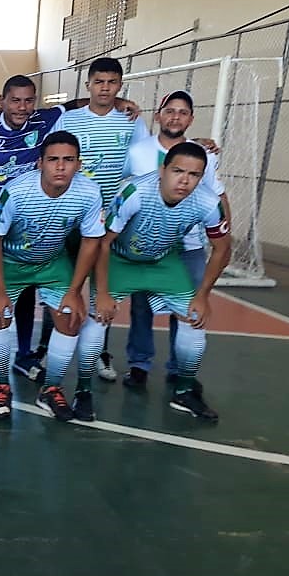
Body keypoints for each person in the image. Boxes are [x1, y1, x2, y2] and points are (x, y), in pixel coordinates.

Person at [0, 74, 140, 384]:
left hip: (47, 232)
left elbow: (73, 104)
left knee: (58, 304)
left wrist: (114, 101)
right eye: (14, 100)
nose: (22, 107)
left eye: (28, 100)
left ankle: (35, 362)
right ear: (1, 101)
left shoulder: (46, 121)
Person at [74, 142, 232, 421]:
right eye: (178, 171)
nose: (184, 180)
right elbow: (102, 242)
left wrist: (203, 295)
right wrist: (104, 292)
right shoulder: (134, 192)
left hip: (162, 261)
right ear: (162, 170)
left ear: (202, 177)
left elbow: (222, 249)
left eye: (194, 174)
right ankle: (83, 392)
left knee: (194, 318)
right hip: (119, 259)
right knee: (98, 319)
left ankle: (184, 391)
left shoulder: (208, 202)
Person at [0, 131, 104, 421]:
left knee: (70, 318)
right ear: (40, 163)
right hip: (10, 263)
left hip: (52, 262)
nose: (60, 167)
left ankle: (50, 389)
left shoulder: (89, 192)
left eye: (68, 160)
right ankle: (1, 387)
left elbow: (91, 242)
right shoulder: (16, 191)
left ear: (79, 164)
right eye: (53, 160)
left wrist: (75, 291)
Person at [121, 90, 231, 388]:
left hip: (188, 245)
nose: (175, 117)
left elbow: (218, 195)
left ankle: (179, 368)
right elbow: (122, 187)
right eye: (170, 111)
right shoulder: (137, 152)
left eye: (182, 112)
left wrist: (226, 232)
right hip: (145, 246)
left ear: (191, 119)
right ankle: (139, 364)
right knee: (141, 305)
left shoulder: (203, 154)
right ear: (158, 115)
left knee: (187, 306)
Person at [50, 57, 150, 382]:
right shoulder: (69, 120)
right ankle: (47, 347)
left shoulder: (131, 121)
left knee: (103, 289)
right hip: (70, 217)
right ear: (88, 85)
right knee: (60, 283)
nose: (105, 88)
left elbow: (145, 163)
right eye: (99, 82)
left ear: (120, 85)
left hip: (110, 220)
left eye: (111, 82)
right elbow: (50, 159)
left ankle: (98, 353)